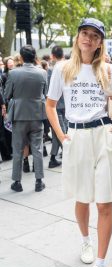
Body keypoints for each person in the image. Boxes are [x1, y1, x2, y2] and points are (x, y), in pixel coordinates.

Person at [46, 18, 112, 267]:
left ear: (100, 43)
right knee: (83, 198)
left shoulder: (109, 70)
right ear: (78, 37)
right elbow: (50, 105)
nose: (89, 38)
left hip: (103, 136)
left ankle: (101, 264)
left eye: (95, 36)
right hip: (77, 137)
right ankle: (85, 240)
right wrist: (61, 136)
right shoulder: (62, 69)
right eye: (85, 33)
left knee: (105, 204)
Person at [4, 45, 47, 192]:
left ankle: (17, 182)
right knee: (38, 149)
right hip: (36, 114)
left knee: (17, 149)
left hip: (19, 115)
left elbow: (7, 95)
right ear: (35, 57)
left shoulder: (13, 73)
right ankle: (39, 181)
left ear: (21, 57)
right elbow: (45, 93)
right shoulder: (42, 73)